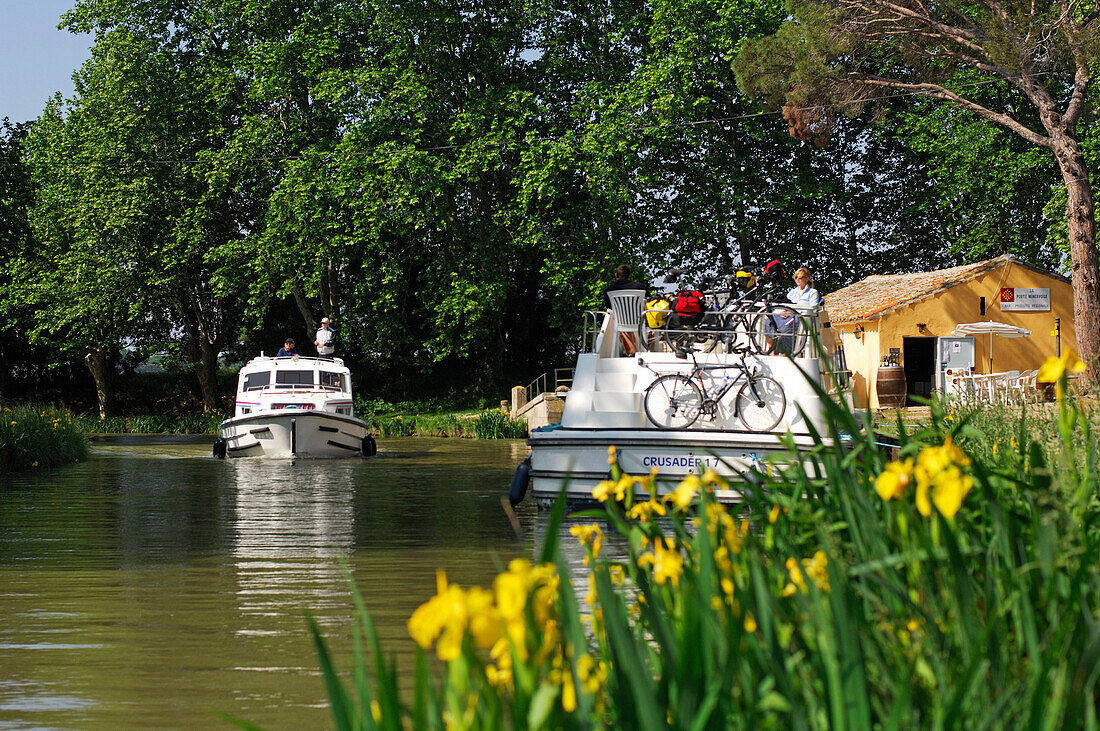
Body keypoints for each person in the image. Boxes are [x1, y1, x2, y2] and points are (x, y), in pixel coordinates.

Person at [770, 267, 823, 353]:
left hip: (800, 318)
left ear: (807, 278)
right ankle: (772, 351)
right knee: (769, 322)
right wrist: (782, 312)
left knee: (785, 328)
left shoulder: (812, 292)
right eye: (796, 277)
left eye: (800, 277)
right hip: (788, 316)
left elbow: (812, 309)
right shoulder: (792, 292)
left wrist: (794, 312)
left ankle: (786, 353)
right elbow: (784, 304)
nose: (797, 279)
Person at [603, 264, 648, 356]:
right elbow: (647, 302)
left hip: (621, 322)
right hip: (639, 321)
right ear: (629, 276)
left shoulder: (609, 290)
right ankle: (644, 351)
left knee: (619, 322)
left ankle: (632, 351)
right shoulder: (640, 287)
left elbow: (609, 308)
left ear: (616, 275)